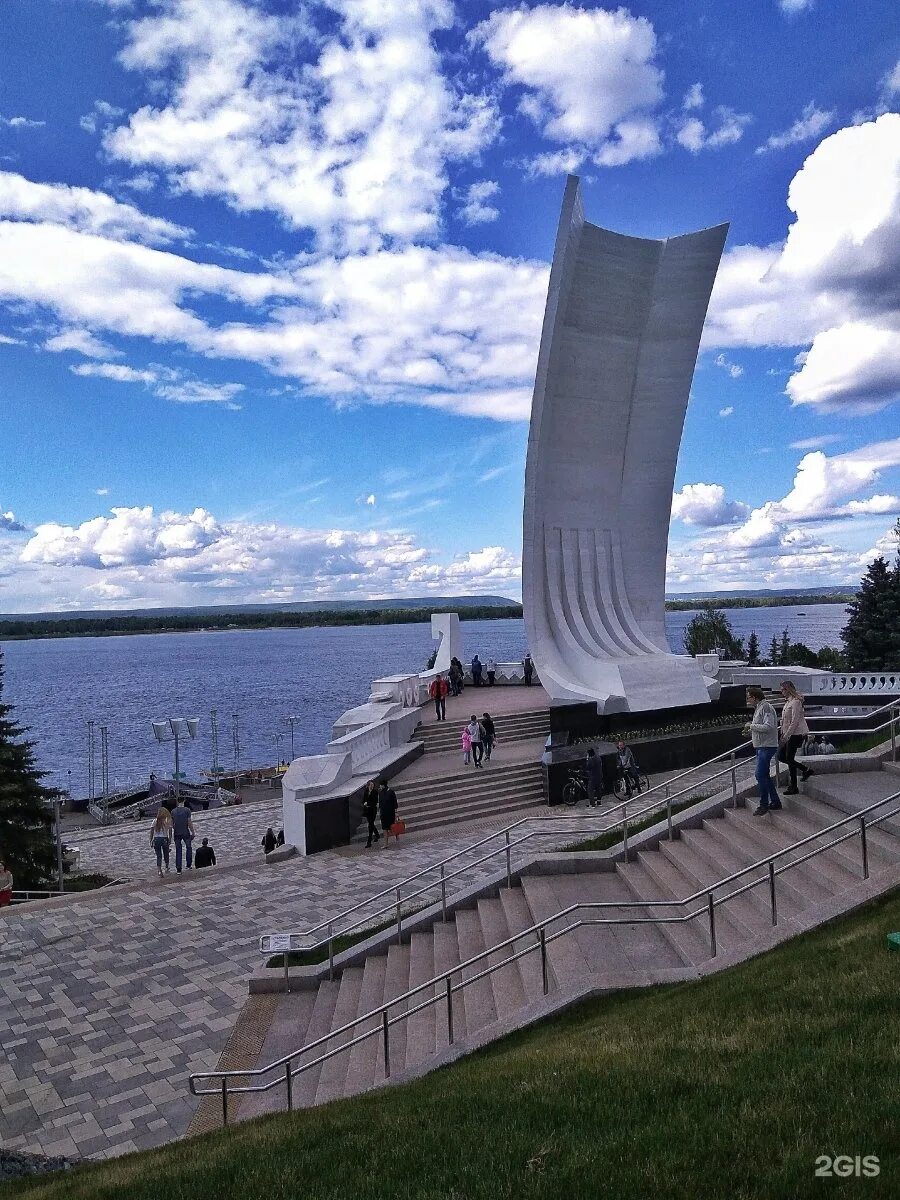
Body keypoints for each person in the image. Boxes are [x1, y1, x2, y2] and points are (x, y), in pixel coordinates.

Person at [745, 686, 782, 815]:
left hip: (767, 746)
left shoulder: (765, 707)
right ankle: (775, 801)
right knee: (764, 775)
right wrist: (751, 730)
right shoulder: (759, 708)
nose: (748, 700)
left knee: (760, 775)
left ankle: (764, 804)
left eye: (749, 697)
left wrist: (752, 726)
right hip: (761, 745)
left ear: (755, 697)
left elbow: (769, 726)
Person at [779, 681, 813, 794]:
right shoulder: (788, 702)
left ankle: (794, 786)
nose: (781, 692)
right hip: (788, 733)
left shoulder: (796, 702)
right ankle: (805, 770)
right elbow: (785, 720)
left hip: (795, 734)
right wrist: (783, 733)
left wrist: (787, 735)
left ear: (788, 689)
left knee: (789, 758)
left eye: (783, 689)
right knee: (782, 756)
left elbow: (794, 721)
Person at [171, 796, 195, 873]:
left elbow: (172, 824)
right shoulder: (187, 810)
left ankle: (178, 868)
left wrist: (176, 828)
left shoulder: (173, 811)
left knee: (178, 850)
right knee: (188, 847)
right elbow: (189, 822)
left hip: (177, 833)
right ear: (184, 801)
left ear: (177, 801)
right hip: (185, 831)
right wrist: (193, 832)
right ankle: (188, 864)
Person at [149, 806, 172, 877]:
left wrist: (150, 840)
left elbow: (151, 831)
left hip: (156, 839)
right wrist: (170, 839)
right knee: (166, 854)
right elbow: (170, 831)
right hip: (164, 839)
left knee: (159, 856)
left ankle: (159, 870)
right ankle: (167, 866)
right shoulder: (167, 820)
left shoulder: (155, 820)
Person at [362, 780, 380, 848]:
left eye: (373, 785)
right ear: (368, 785)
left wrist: (368, 803)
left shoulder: (375, 792)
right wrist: (364, 803)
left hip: (373, 810)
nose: (372, 786)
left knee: (370, 825)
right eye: (371, 785)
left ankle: (369, 841)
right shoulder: (366, 791)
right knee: (371, 823)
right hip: (367, 811)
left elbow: (375, 801)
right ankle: (377, 834)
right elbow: (363, 799)